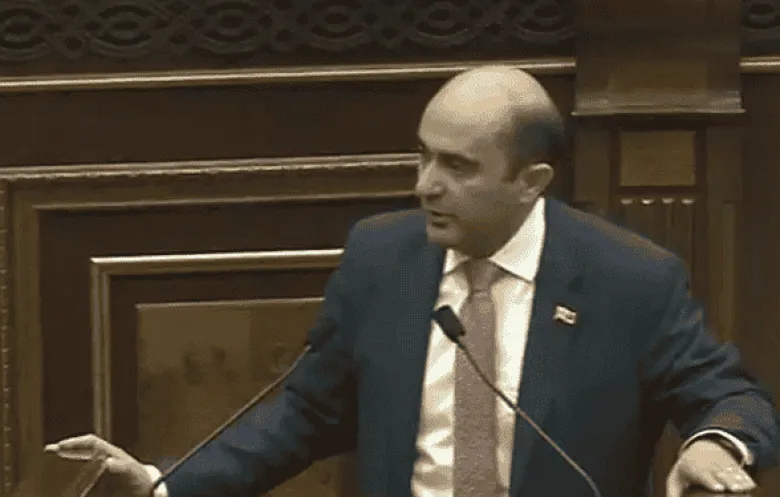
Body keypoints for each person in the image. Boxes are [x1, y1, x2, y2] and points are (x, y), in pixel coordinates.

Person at [46, 66, 780, 497]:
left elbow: (730, 393)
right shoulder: (381, 257)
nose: (426, 184)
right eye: (424, 156)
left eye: (457, 167)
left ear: (531, 182)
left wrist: (716, 444)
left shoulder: (629, 278)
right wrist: (164, 482)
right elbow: (306, 411)